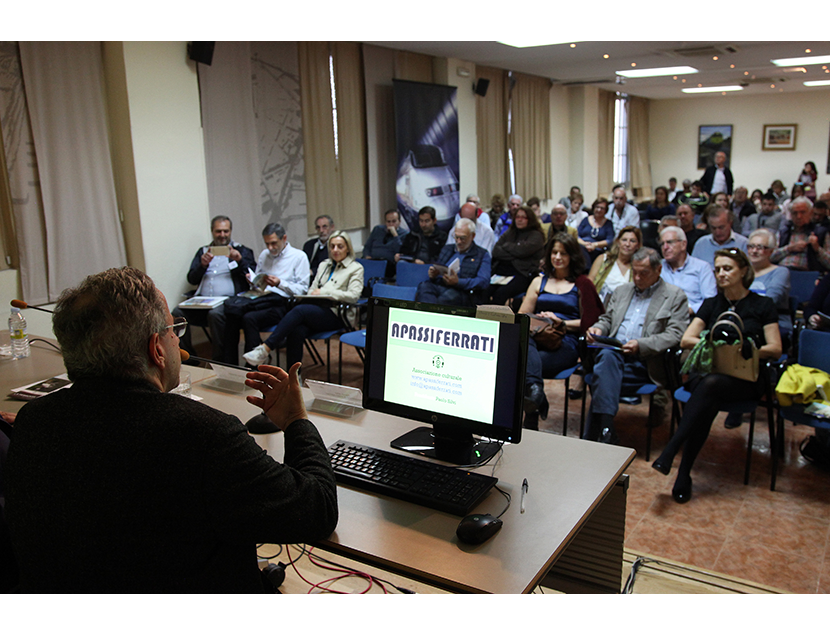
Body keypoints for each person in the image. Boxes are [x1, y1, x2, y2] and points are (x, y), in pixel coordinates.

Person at [4, 267, 338, 592]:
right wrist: (296, 419)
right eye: (173, 329)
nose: (176, 338)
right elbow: (318, 509)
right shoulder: (205, 436)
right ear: (157, 349)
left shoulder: (35, 420)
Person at [651, 248, 782, 504]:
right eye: (718, 269)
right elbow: (687, 338)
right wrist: (711, 342)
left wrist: (749, 348)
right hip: (712, 373)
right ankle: (682, 473)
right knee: (709, 393)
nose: (721, 274)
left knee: (709, 389)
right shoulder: (712, 304)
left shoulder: (762, 305)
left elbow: (775, 348)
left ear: (744, 271)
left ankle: (673, 453)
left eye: (728, 268)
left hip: (744, 379)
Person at [584, 248, 689, 443]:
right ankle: (607, 427)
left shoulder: (675, 296)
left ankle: (597, 433)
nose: (638, 278)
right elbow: (607, 319)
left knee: (602, 374)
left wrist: (642, 345)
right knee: (607, 356)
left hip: (646, 362)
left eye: (644, 273)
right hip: (615, 354)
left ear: (658, 270)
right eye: (635, 272)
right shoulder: (623, 291)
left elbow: (675, 334)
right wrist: (598, 328)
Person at [519, 232, 603, 430]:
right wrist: (542, 320)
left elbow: (589, 322)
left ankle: (533, 407)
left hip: (566, 342)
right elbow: (522, 317)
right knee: (522, 343)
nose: (557, 257)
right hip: (537, 337)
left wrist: (560, 322)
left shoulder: (582, 284)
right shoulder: (539, 282)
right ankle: (536, 394)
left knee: (521, 365)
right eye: (554, 252)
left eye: (563, 253)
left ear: (572, 256)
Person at [244, 231, 364, 369]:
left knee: (300, 310)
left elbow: (354, 295)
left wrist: (324, 292)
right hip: (316, 310)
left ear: (348, 248)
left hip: (338, 313)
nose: (335, 250)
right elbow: (311, 289)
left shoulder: (355, 268)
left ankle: (265, 348)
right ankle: (293, 376)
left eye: (340, 246)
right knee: (297, 330)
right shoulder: (324, 265)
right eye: (332, 246)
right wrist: (309, 296)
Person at [223, 223, 310, 364]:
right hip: (262, 297)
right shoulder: (265, 254)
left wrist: (280, 283)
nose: (270, 248)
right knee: (237, 315)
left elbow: (302, 290)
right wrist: (253, 280)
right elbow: (259, 280)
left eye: (274, 243)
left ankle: (253, 365)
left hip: (283, 303)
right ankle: (233, 363)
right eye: (267, 244)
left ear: (284, 238)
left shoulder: (299, 257)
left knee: (247, 317)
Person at [174, 215, 256, 360]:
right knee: (177, 313)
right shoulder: (203, 251)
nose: (222, 235)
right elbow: (192, 279)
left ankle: (219, 360)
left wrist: (239, 260)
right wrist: (202, 265)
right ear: (212, 231)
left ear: (231, 231)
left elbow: (253, 277)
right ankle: (188, 358)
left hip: (227, 302)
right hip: (202, 301)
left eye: (226, 231)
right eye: (218, 231)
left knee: (215, 315)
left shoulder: (242, 250)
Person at [417, 218, 491, 307]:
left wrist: (458, 282)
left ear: (472, 236)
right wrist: (434, 274)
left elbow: (483, 281)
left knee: (447, 298)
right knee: (424, 287)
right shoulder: (447, 249)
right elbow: (439, 267)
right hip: (441, 284)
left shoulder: (482, 254)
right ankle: (430, 314)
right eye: (456, 237)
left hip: (463, 291)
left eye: (462, 238)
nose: (458, 241)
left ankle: (432, 315)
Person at [488, 206, 546, 306]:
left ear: (530, 219)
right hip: (501, 272)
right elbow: (496, 251)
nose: (519, 220)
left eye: (523, 217)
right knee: (485, 291)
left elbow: (523, 251)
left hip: (523, 273)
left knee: (501, 294)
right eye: (517, 217)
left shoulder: (536, 236)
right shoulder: (510, 232)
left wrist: (507, 246)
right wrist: (516, 252)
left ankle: (497, 319)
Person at [747, 228, 792, 345]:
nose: (754, 251)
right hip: (746, 322)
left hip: (774, 323)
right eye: (751, 247)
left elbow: (770, 301)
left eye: (760, 247)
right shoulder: (742, 272)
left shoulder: (780, 272)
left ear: (771, 251)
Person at [659, 226, 717, 315]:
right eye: (662, 244)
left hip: (693, 317)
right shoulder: (658, 268)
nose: (665, 247)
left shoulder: (702, 267)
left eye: (670, 242)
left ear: (683, 244)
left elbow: (710, 300)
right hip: (663, 317)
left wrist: (689, 310)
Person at [771, 196, 830, 272]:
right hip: (782, 271)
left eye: (803, 212)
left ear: (811, 213)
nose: (799, 216)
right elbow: (769, 257)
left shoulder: (821, 233)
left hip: (807, 274)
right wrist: (789, 248)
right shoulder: (784, 232)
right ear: (791, 215)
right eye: (795, 213)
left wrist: (817, 248)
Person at [588, 225, 641, 305]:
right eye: (624, 240)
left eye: (632, 241)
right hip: (598, 306)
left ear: (637, 246)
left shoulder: (638, 267)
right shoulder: (603, 259)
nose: (627, 244)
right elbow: (588, 285)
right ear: (618, 242)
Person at [363, 209, 408, 277]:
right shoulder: (377, 229)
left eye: (394, 221)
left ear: (399, 221)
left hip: (388, 264)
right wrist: (367, 256)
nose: (391, 224)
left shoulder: (404, 234)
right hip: (372, 261)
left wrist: (395, 235)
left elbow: (399, 251)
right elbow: (367, 246)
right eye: (388, 222)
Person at [577, 197, 615, 262]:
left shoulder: (608, 223)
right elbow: (577, 235)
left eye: (602, 208)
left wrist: (595, 245)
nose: (599, 210)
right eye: (597, 207)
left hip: (598, 250)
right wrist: (584, 244)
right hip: (582, 247)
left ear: (606, 211)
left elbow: (609, 240)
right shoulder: (585, 220)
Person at [303, 214, 335, 280]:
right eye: (318, 227)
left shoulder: (335, 246)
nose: (321, 230)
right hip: (308, 280)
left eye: (324, 227)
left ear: (332, 227)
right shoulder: (309, 245)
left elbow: (333, 266)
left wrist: (313, 271)